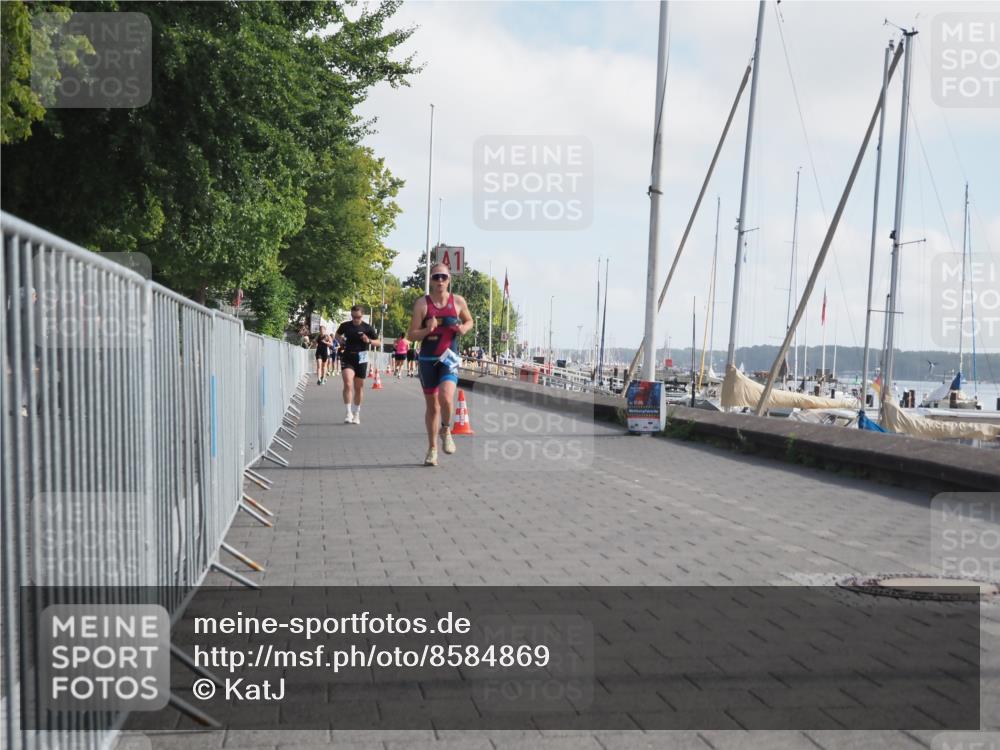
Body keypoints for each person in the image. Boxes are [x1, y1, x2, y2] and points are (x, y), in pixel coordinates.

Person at [407, 263, 474, 466]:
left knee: (446, 396)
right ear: (430, 280)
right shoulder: (422, 304)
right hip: (428, 359)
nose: (440, 281)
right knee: (432, 407)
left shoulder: (458, 302)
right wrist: (428, 330)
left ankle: (446, 429)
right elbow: (411, 334)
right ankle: (432, 448)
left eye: (443, 277)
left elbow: (469, 321)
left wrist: (463, 328)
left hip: (449, 357)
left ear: (449, 279)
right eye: (436, 277)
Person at [335, 306, 380, 424]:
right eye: (353, 317)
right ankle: (348, 412)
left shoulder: (367, 328)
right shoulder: (345, 325)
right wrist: (341, 341)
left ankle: (356, 413)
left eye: (358, 317)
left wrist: (369, 341)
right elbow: (337, 335)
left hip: (362, 357)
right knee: (348, 383)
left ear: (362, 316)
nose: (355, 319)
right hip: (348, 356)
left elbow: (378, 342)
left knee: (358, 387)